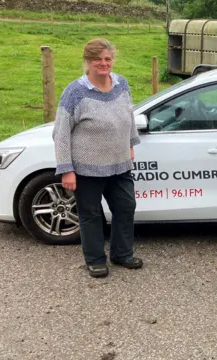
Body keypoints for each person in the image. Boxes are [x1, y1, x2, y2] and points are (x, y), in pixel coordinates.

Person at [52, 38, 143, 278]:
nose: (103, 64)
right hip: (86, 169)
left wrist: (131, 143)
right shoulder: (74, 92)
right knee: (90, 215)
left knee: (126, 207)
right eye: (98, 60)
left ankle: (122, 254)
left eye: (107, 59)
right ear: (88, 62)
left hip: (119, 164)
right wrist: (66, 169)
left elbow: (129, 115)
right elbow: (60, 134)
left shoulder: (121, 83)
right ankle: (95, 259)